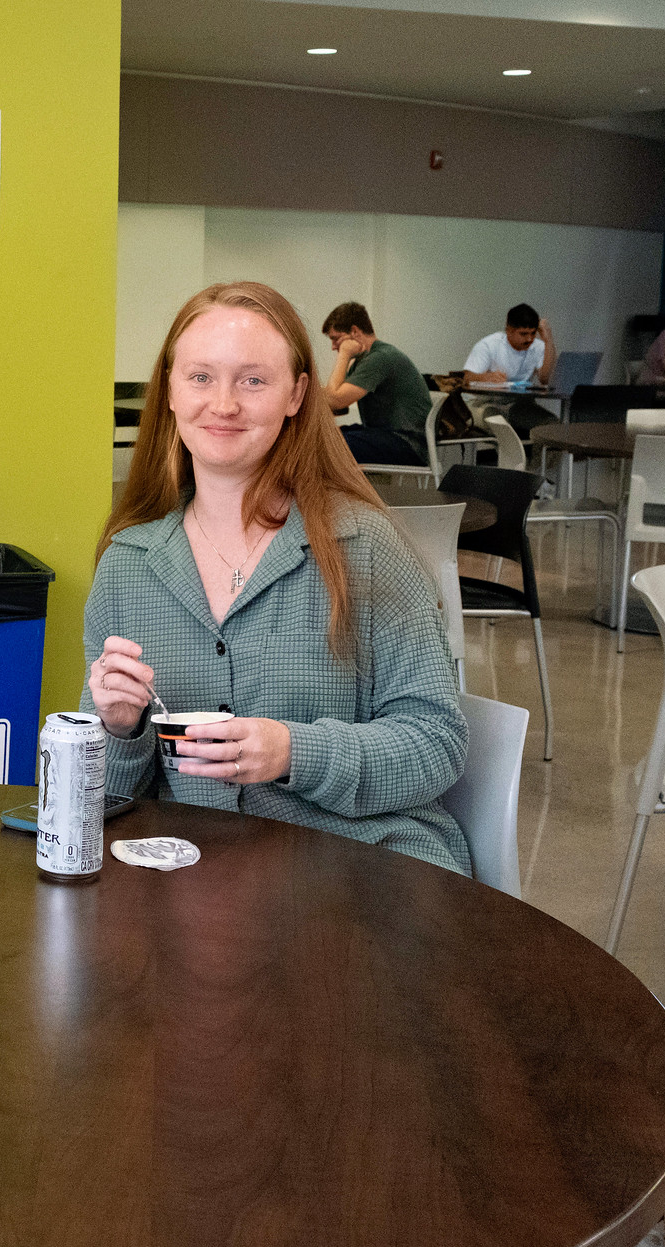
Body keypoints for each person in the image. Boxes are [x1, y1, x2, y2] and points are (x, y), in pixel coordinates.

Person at [84, 281, 470, 873]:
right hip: (198, 881)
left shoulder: (362, 546)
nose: (224, 404)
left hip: (358, 872)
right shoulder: (128, 565)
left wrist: (295, 752)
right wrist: (118, 728)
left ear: (297, 395)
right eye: (201, 377)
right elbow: (104, 795)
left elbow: (436, 745)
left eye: (254, 380)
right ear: (167, 391)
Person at [319, 301, 434, 469]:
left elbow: (335, 400)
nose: (333, 347)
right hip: (387, 435)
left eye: (336, 339)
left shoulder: (380, 358)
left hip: (406, 443)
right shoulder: (366, 359)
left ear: (354, 331)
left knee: (326, 445)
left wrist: (344, 354)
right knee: (324, 437)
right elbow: (335, 402)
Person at [462, 303, 559, 435]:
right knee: (500, 423)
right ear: (509, 330)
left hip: (516, 405)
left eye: (533, 333)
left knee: (551, 425)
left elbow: (545, 379)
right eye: (523, 334)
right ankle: (510, 456)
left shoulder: (538, 347)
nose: (529, 339)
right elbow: (467, 378)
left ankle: (535, 457)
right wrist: (486, 378)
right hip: (482, 404)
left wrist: (548, 340)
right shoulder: (489, 345)